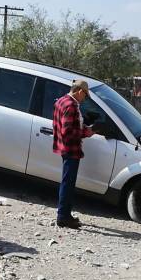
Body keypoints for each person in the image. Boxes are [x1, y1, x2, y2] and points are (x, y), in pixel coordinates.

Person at [52, 79, 95, 229]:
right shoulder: (71, 105)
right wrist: (86, 132)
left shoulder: (62, 101)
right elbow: (68, 131)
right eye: (85, 95)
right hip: (71, 149)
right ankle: (63, 216)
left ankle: (65, 214)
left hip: (64, 148)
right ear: (80, 91)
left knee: (66, 182)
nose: (85, 99)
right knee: (68, 183)